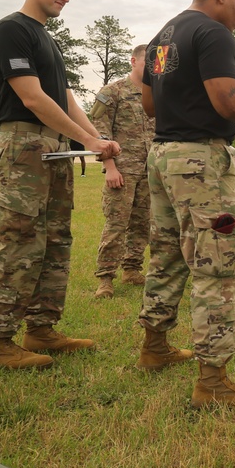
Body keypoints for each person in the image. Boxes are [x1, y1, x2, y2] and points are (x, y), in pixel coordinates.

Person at [138, 0, 235, 408]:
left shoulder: (164, 36)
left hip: (163, 156)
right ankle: (213, 382)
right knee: (218, 264)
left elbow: (149, 104)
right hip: (200, 160)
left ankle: (155, 347)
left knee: (166, 254)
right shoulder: (213, 33)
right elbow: (231, 102)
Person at [0, 0, 121, 370]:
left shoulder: (47, 39)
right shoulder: (13, 29)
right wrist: (90, 141)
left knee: (55, 243)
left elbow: (66, 98)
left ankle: (41, 329)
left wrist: (94, 138)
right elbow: (32, 98)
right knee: (20, 242)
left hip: (54, 150)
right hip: (23, 147)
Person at [89, 44, 154, 299]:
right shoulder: (112, 91)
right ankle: (105, 278)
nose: (151, 67)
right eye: (147, 61)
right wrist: (110, 167)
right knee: (116, 223)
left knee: (142, 222)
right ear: (133, 61)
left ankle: (132, 269)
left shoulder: (156, 94)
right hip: (122, 170)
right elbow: (99, 130)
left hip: (150, 170)